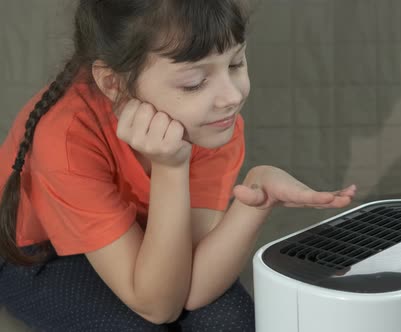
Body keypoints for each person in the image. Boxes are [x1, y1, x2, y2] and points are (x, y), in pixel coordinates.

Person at [0, 1, 356, 330]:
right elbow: (159, 307)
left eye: (235, 63)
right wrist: (171, 168)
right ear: (113, 82)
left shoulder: (211, 123)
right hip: (35, 253)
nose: (232, 97)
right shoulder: (65, 139)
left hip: (151, 239)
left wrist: (255, 203)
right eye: (194, 83)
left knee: (231, 320)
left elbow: (190, 286)